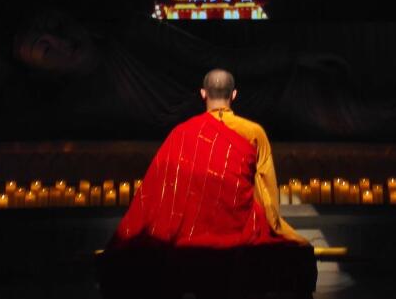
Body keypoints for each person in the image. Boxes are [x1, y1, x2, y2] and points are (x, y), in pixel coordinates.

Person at [99, 69, 315, 298]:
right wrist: (275, 228)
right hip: (240, 229)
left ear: (203, 94)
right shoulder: (254, 132)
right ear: (234, 95)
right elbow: (267, 193)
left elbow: (159, 190)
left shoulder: (180, 134)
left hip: (188, 232)